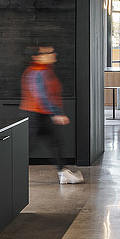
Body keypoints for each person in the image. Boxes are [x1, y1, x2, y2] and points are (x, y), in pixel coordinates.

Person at [21, 44, 83, 184]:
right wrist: (56, 113)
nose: (53, 54)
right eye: (48, 53)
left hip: (40, 114)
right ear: (37, 57)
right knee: (28, 146)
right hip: (35, 115)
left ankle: (63, 172)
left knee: (54, 143)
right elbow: (41, 95)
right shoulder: (38, 72)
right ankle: (4, 170)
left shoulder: (44, 70)